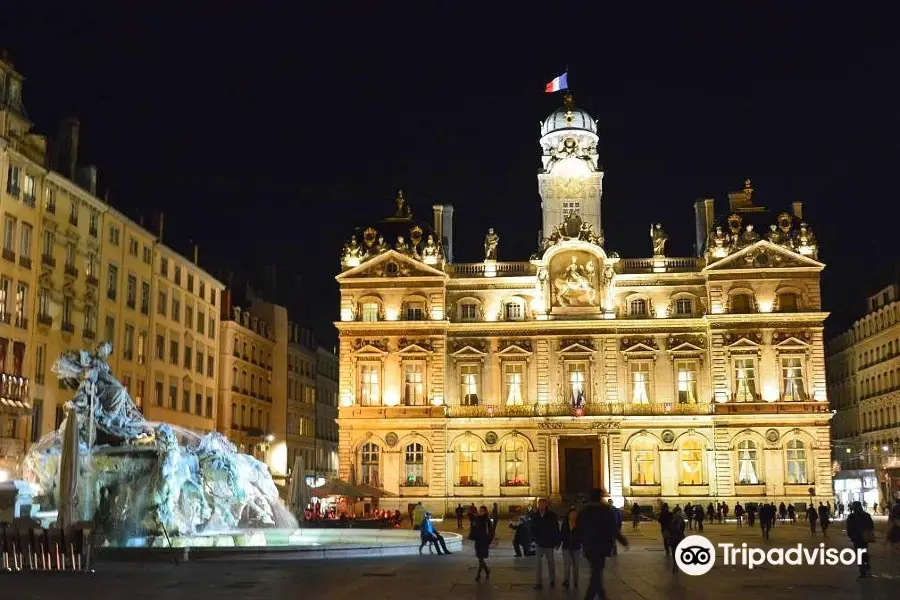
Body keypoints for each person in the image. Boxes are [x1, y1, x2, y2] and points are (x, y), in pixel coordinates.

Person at [577, 489, 628, 600]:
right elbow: (613, 528)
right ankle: (590, 597)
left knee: (596, 571)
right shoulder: (605, 510)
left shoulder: (583, 511)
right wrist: (622, 540)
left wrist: (580, 542)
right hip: (601, 546)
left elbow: (578, 529)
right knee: (596, 572)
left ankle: (602, 596)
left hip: (589, 546)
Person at [531, 498, 560, 590]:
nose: (541, 506)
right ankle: (538, 582)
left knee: (551, 562)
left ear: (546, 505)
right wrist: (534, 539)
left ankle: (552, 580)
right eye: (540, 505)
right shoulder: (535, 516)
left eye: (543, 505)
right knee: (538, 564)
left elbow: (556, 529)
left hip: (549, 543)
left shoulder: (552, 515)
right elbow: (532, 528)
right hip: (539, 543)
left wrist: (556, 542)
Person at [846, 501, 874, 578]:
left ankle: (862, 571)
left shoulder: (851, 516)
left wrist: (850, 535)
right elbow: (871, 526)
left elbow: (849, 527)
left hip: (856, 537)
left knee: (859, 554)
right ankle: (867, 565)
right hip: (864, 537)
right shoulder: (866, 515)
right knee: (864, 551)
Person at [471, 505, 494, 582]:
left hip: (484, 541)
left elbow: (491, 532)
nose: (480, 512)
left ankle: (478, 575)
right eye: (479, 510)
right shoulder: (477, 519)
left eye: (481, 511)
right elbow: (474, 528)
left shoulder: (487, 520)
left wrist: (489, 541)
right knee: (480, 558)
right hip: (478, 541)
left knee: (481, 558)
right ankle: (487, 571)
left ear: (485, 512)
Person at [560, 507, 581, 589]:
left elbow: (582, 535)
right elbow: (562, 534)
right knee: (567, 565)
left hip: (576, 548)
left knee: (576, 566)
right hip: (566, 547)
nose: (573, 515)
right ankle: (566, 581)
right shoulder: (565, 524)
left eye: (575, 514)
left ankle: (576, 582)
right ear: (568, 515)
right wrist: (558, 543)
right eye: (571, 514)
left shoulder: (580, 524)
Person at [668, 506, 687, 574]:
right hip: (673, 537)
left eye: (680, 512)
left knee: (678, 551)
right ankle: (675, 563)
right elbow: (670, 528)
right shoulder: (672, 519)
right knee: (674, 551)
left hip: (679, 537)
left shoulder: (681, 519)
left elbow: (682, 528)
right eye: (679, 512)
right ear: (675, 512)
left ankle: (676, 563)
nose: (680, 513)